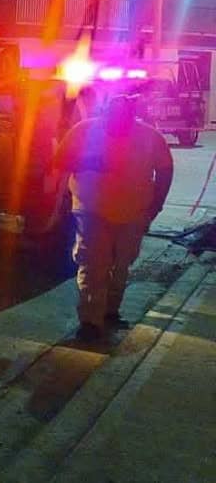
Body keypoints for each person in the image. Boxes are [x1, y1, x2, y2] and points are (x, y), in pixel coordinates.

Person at [53, 95, 173, 341]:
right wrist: (90, 162)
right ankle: (90, 321)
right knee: (94, 265)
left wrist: (155, 207)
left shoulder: (150, 137)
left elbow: (165, 169)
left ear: (132, 117)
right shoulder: (84, 130)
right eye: (112, 117)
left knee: (121, 265)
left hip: (134, 214)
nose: (117, 124)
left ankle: (110, 311)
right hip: (92, 211)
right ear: (104, 113)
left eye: (123, 118)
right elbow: (60, 160)